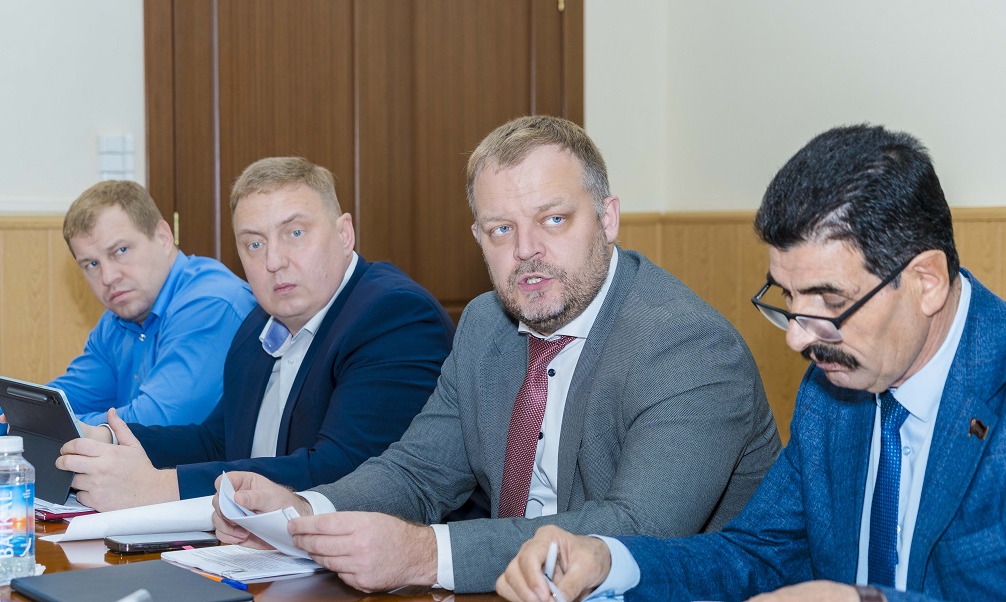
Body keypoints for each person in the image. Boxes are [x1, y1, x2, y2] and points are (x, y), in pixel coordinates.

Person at [211, 116, 781, 594]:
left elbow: (636, 529)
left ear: (607, 219)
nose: (527, 250)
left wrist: (424, 554)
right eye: (501, 229)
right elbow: (420, 471)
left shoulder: (686, 345)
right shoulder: (487, 322)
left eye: (553, 220)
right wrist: (305, 513)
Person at [497, 124, 1006, 602]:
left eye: (831, 302)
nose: (799, 339)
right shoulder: (833, 388)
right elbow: (760, 553)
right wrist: (609, 560)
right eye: (787, 297)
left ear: (926, 282)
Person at [56, 157, 456, 511]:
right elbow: (215, 441)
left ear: (344, 234)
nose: (274, 261)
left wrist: (160, 487)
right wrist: (106, 439)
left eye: (295, 233)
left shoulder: (393, 316)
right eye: (254, 244)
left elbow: (342, 471)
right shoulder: (258, 327)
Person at [0, 180, 256, 436]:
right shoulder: (118, 319)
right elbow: (67, 397)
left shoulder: (211, 302)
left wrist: (43, 424)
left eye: (121, 251)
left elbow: (154, 421)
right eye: (92, 264)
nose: (108, 277)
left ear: (163, 237)